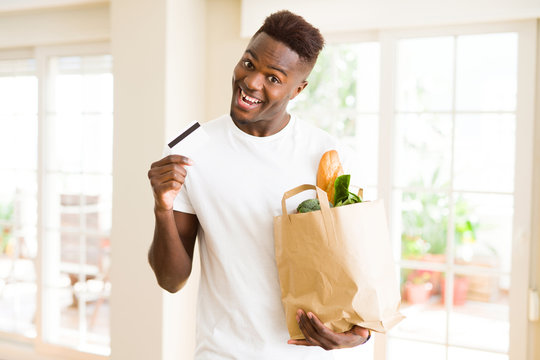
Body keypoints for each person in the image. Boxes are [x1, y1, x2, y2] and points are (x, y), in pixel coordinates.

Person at [147, 10, 370, 359]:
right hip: (224, 352)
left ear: (298, 89)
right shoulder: (191, 150)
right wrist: (162, 208)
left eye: (274, 78)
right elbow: (171, 280)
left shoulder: (329, 156)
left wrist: (361, 335)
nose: (252, 82)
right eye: (249, 64)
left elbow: (360, 270)